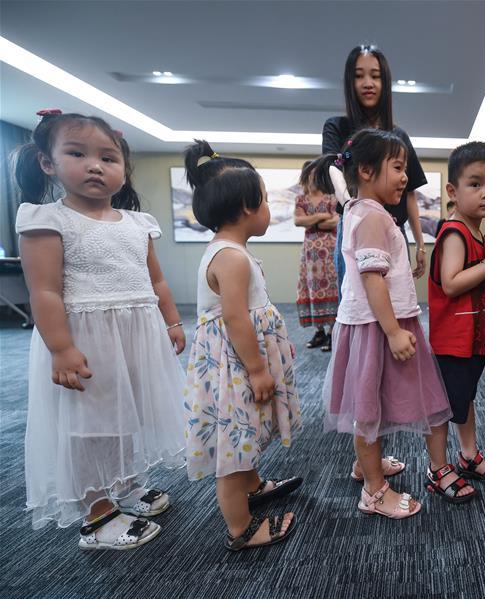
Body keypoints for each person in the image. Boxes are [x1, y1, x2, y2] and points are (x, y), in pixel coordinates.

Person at [14, 110, 185, 549]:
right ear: (48, 163)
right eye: (77, 153)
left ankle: (125, 485)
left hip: (136, 336)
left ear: (123, 170)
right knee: (90, 427)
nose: (95, 165)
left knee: (128, 417)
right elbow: (45, 292)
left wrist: (172, 321)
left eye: (108, 157)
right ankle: (97, 511)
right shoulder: (45, 219)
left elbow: (157, 281)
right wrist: (61, 348)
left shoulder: (137, 223)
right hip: (84, 341)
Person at [322, 128, 453, 519]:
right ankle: (374, 491)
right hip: (377, 327)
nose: (405, 177)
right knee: (368, 407)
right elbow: (371, 278)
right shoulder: (371, 217)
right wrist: (394, 330)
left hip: (379, 323)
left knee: (373, 399)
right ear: (365, 170)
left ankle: (367, 465)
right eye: (398, 168)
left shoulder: (368, 213)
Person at [182, 141, 302, 551]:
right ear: (248, 206)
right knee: (233, 448)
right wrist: (257, 368)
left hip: (239, 361)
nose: (269, 207)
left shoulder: (231, 251)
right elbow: (235, 318)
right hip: (235, 367)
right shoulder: (231, 257)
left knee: (246, 431)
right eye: (266, 199)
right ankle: (241, 527)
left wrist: (276, 352)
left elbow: (253, 315)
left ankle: (253, 484)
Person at [428, 141, 485, 501]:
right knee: (444, 405)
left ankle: (468, 454)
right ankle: (437, 468)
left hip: (470, 339)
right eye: (475, 184)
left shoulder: (475, 230)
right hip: (453, 341)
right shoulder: (456, 232)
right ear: (452, 191)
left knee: (465, 397)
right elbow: (451, 282)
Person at [323, 44, 429, 290]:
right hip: (354, 226)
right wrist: (354, 210)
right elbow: (332, 172)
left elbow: (410, 192)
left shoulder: (398, 135)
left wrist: (420, 244)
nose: (368, 82)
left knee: (397, 300)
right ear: (350, 82)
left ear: (386, 82)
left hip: (393, 227)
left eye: (375, 76)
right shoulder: (336, 127)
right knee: (354, 301)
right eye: (359, 76)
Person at [294, 157, 340, 352]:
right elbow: (297, 221)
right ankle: (319, 331)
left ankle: (332, 333)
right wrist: (321, 217)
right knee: (311, 289)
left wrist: (311, 221)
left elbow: (336, 221)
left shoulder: (331, 196)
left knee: (332, 288)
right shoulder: (301, 199)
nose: (312, 178)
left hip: (330, 252)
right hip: (310, 255)